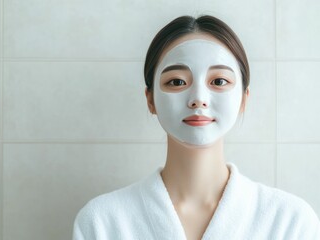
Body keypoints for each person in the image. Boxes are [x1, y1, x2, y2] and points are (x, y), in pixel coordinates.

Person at [72, 15, 320, 240]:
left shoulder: (290, 222)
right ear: (151, 99)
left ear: (244, 98)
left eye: (219, 81)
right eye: (177, 81)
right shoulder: (102, 222)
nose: (198, 98)